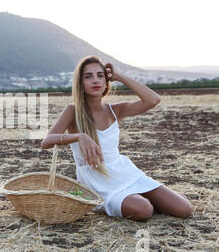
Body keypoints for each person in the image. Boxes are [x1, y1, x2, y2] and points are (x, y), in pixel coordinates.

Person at [41, 55, 193, 221]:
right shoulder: (73, 111)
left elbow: (153, 99)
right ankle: (130, 200)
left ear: (107, 81)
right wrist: (79, 136)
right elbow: (47, 142)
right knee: (144, 210)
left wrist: (119, 76)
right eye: (88, 76)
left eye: (100, 75)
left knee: (184, 209)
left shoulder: (115, 110)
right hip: (97, 181)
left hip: (124, 172)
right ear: (80, 83)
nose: (95, 80)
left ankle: (138, 196)